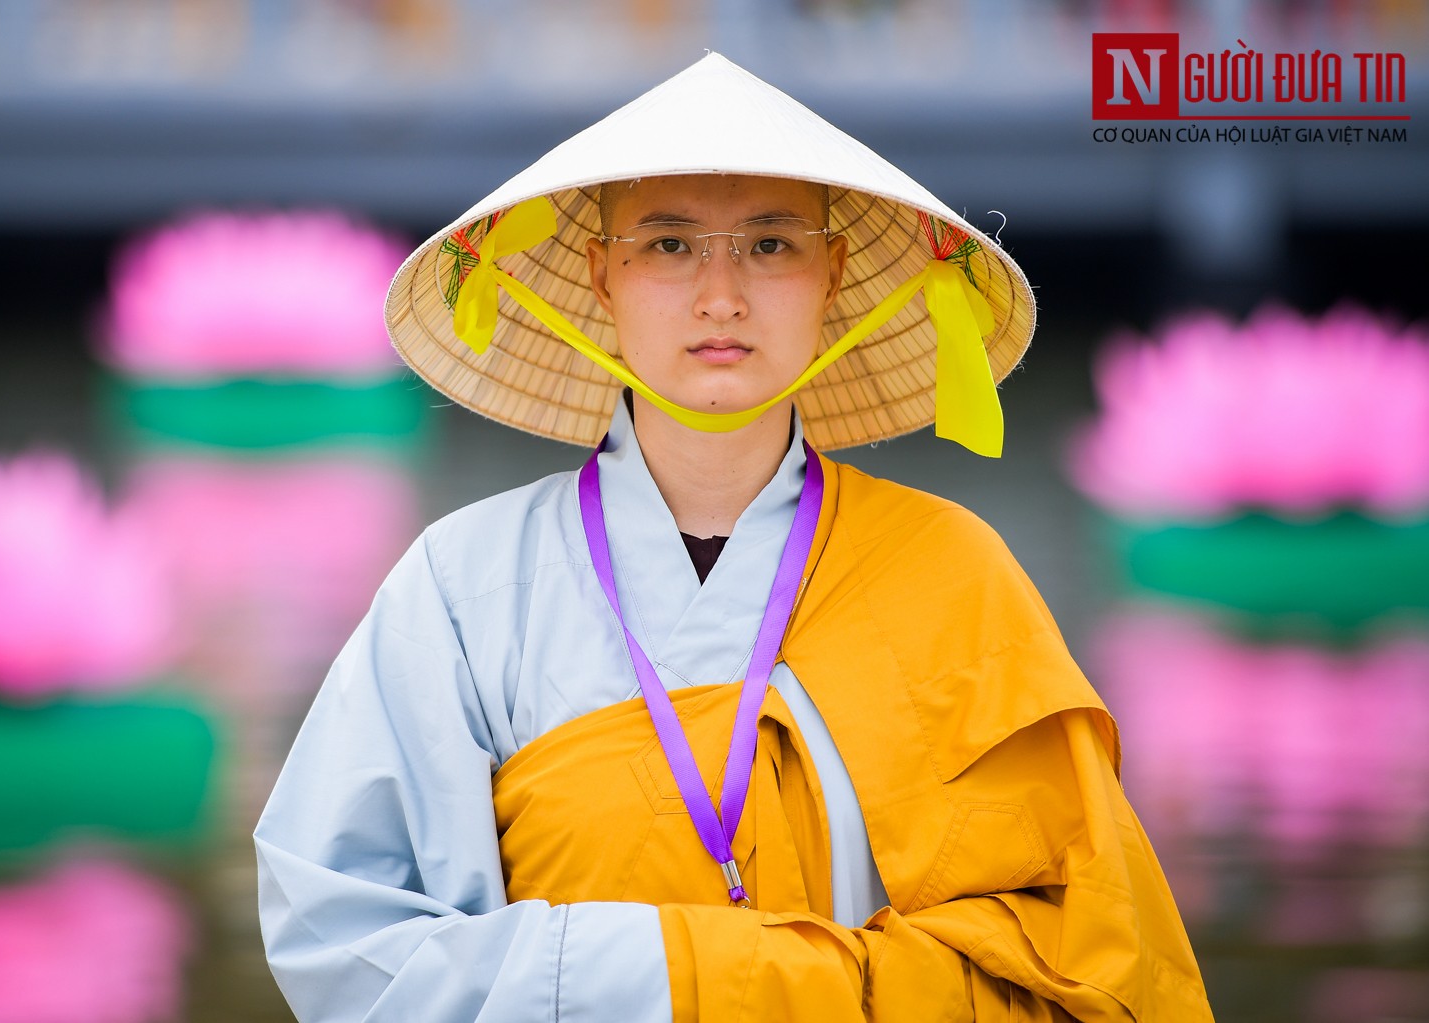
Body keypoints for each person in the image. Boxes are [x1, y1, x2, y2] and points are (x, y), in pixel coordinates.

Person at [255, 53, 1213, 1021]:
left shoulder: (952, 569)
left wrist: (685, 972)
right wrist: (691, 969)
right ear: (599, 276)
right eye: (668, 247)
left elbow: (1076, 953)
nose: (721, 296)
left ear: (833, 274)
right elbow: (348, 942)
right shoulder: (464, 582)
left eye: (771, 245)